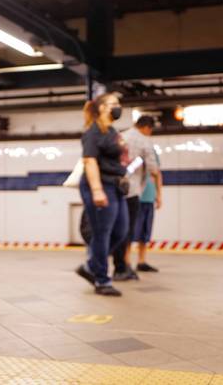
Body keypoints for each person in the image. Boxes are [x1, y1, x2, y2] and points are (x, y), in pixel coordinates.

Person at [75, 93, 128, 296]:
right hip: (99, 186)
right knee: (102, 233)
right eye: (114, 104)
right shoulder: (92, 132)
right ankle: (102, 280)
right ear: (102, 108)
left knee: (120, 231)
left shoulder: (112, 131)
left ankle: (91, 266)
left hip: (115, 187)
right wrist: (97, 190)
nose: (118, 107)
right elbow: (90, 161)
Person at [113, 115, 162, 280]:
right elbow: (153, 169)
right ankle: (124, 266)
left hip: (117, 188)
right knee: (128, 229)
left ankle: (121, 265)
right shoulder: (144, 140)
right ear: (147, 128)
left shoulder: (121, 135)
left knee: (119, 228)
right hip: (132, 191)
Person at [132, 148, 162, 272]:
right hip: (135, 196)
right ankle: (125, 262)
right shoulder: (132, 151)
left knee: (145, 232)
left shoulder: (152, 152)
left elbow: (157, 173)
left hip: (149, 197)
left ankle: (141, 261)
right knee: (130, 232)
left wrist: (159, 194)